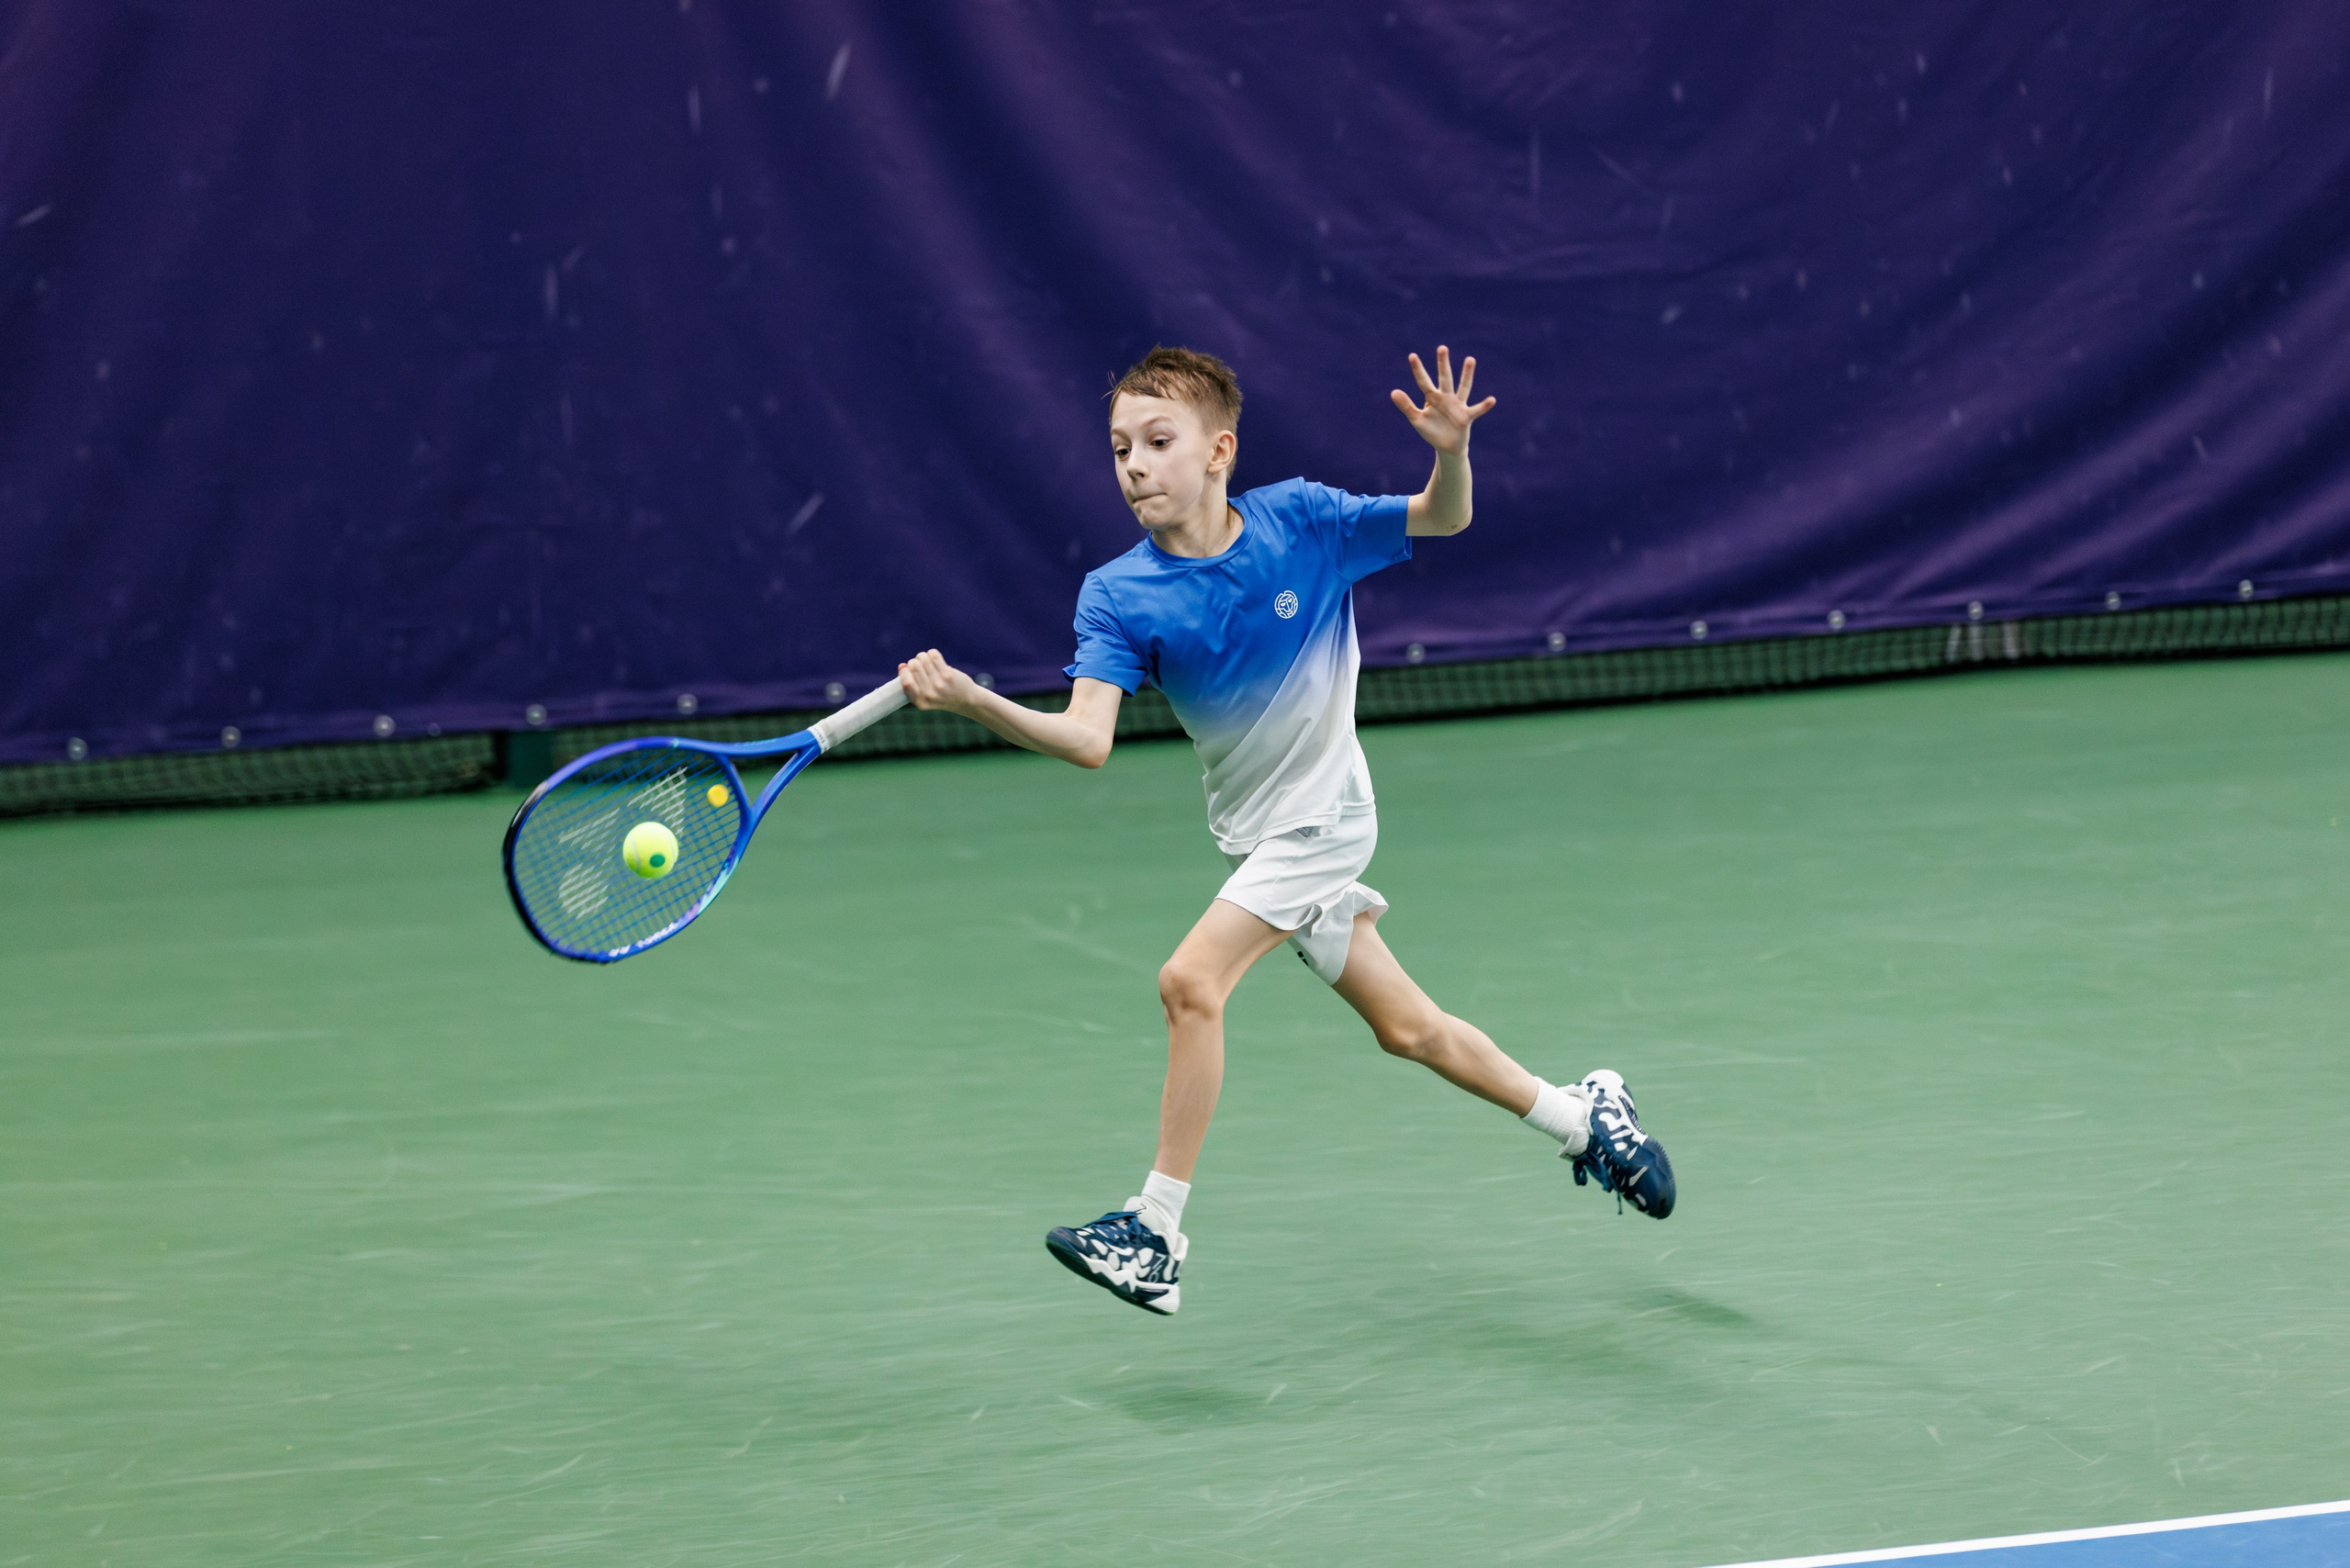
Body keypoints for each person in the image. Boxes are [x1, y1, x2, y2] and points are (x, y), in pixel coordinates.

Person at [895, 345, 1673, 1316]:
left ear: (1219, 451)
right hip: (1257, 836)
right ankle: (1584, 1122)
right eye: (1119, 447)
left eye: (1157, 441)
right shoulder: (1117, 594)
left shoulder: (1300, 520)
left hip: (1326, 820)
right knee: (1410, 1030)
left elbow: (1445, 515)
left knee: (1190, 983)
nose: (1133, 463)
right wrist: (974, 700)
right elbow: (1087, 740)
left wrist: (1450, 453)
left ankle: (1155, 1229)